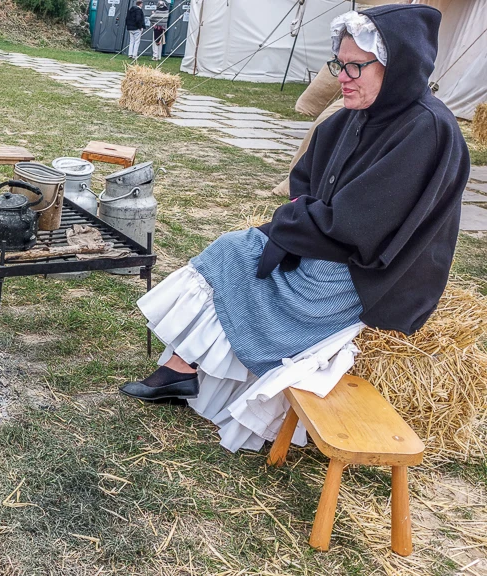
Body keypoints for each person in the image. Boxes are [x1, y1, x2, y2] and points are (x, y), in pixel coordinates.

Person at [119, 5, 470, 453]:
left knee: (263, 265)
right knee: (234, 249)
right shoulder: (357, 114)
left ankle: (188, 372)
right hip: (328, 240)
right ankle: (181, 370)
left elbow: (358, 225)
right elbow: (305, 181)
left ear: (397, 65)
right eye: (339, 64)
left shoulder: (425, 129)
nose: (343, 76)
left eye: (356, 66)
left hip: (367, 273)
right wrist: (296, 218)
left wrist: (291, 224)